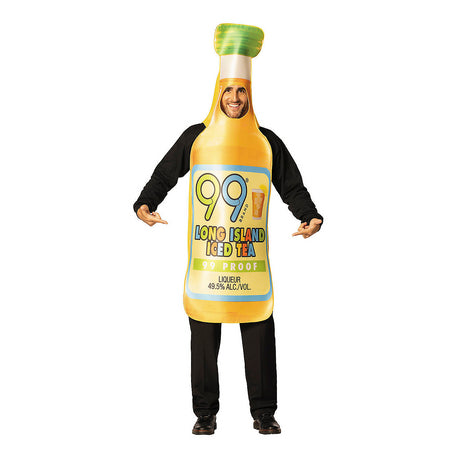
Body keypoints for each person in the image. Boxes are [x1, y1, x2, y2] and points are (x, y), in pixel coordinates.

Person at [133, 84, 323, 435]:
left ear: (250, 94)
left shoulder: (266, 142)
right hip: (209, 263)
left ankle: (264, 413)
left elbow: (291, 185)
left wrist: (309, 215)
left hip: (249, 264)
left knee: (259, 333)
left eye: (241, 91)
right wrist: (145, 203)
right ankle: (205, 414)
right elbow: (164, 174)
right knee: (204, 335)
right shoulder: (197, 137)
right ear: (217, 93)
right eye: (228, 90)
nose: (234, 98)